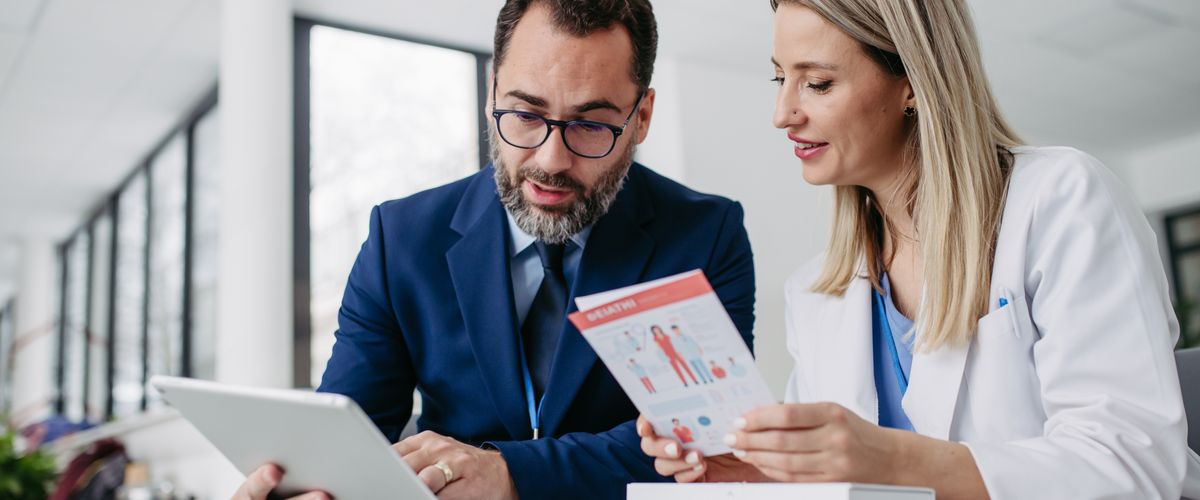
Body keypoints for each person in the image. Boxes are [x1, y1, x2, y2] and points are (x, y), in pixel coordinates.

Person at [639, 0, 1200, 499]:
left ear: (910, 81)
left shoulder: (1059, 200)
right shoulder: (817, 293)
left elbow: (1136, 466)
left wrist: (892, 459)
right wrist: (766, 475)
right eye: (780, 79)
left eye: (817, 83)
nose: (783, 113)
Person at [232, 1, 756, 499]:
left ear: (641, 117)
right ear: (492, 92)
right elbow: (350, 441)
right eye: (526, 114)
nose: (551, 160)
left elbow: (703, 445)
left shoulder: (705, 235)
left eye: (591, 124)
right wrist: (301, 484)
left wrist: (510, 474)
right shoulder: (402, 239)